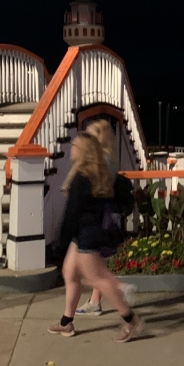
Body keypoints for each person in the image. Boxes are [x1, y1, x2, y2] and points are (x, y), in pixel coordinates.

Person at [48, 129, 143, 341]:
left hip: (87, 235)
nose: (70, 149)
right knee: (70, 272)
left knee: (98, 279)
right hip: (88, 232)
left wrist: (60, 244)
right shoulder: (94, 174)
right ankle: (66, 322)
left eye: (74, 146)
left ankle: (131, 321)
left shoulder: (81, 178)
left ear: (82, 151)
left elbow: (71, 215)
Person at [73, 120, 137, 317]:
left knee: (91, 267)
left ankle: (119, 291)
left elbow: (97, 187)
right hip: (101, 216)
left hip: (96, 217)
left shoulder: (102, 160)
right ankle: (96, 300)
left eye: (90, 135)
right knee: (96, 264)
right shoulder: (107, 158)